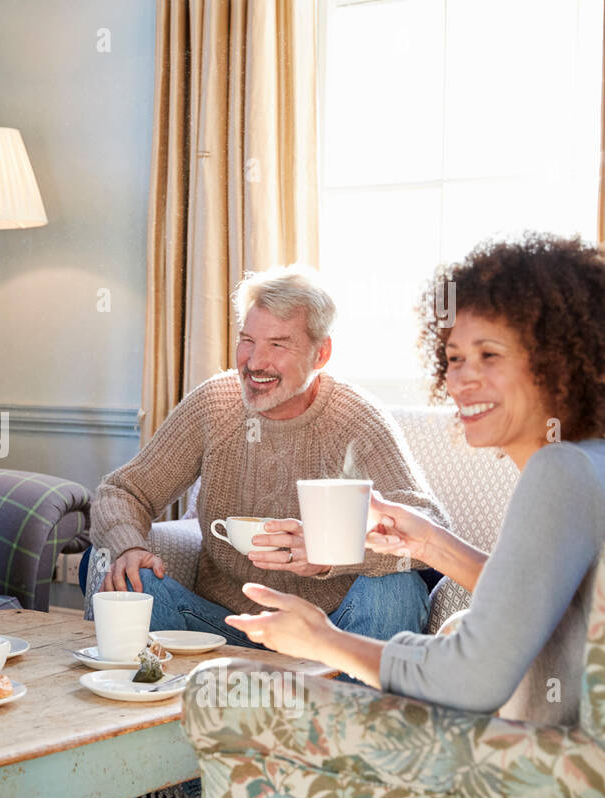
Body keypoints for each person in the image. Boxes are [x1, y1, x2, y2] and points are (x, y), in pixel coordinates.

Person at [227, 234, 605, 726]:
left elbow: (471, 678)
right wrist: (429, 543)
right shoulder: (585, 462)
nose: (463, 379)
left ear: (558, 360)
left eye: (490, 355)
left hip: (537, 778)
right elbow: (546, 603)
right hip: (554, 766)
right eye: (454, 358)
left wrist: (321, 639)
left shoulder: (559, 471)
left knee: (231, 706)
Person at [93, 264, 446, 646]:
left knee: (398, 588)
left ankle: (345, 704)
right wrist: (130, 546)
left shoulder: (357, 419)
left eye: (277, 344)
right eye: (247, 340)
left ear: (320, 353)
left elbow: (429, 525)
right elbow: (124, 490)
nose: (254, 362)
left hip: (335, 637)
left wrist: (332, 557)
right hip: (221, 627)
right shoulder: (215, 404)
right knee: (131, 580)